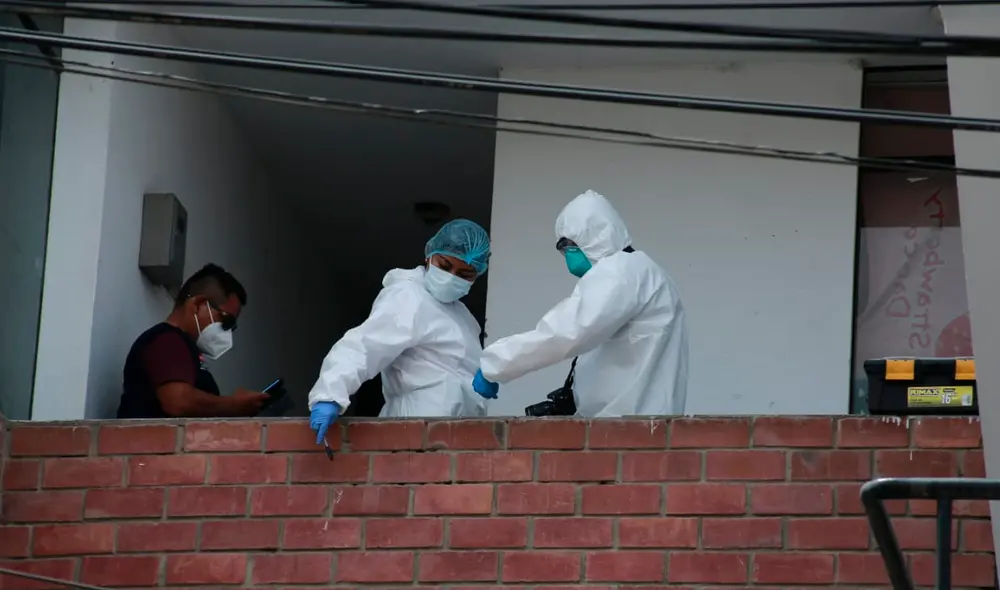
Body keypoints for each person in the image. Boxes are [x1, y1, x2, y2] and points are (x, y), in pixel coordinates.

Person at [472, 190, 689, 417]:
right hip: (637, 419)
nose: (567, 255)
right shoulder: (642, 271)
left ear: (593, 237)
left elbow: (566, 333)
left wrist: (495, 365)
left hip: (629, 422)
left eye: (567, 245)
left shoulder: (620, 271)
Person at [308, 219, 492, 444]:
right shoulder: (408, 296)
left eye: (464, 274)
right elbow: (364, 345)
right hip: (416, 425)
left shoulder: (463, 317)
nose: (451, 276)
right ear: (429, 256)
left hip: (459, 434)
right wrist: (330, 394)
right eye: (444, 266)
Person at [116, 264, 270, 419]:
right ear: (198, 305)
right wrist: (233, 404)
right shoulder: (167, 340)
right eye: (227, 321)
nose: (227, 332)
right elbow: (177, 402)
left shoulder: (185, 349)